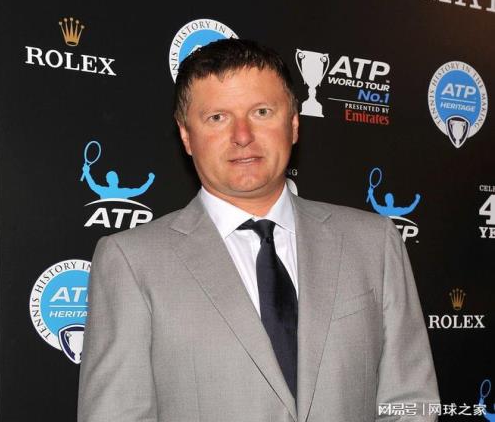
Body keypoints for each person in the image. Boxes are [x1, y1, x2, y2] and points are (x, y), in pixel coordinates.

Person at [78, 39, 440, 422]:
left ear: (294, 124)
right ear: (186, 136)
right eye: (217, 117)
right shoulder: (132, 262)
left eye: (262, 112)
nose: (242, 134)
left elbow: (411, 401)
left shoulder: (374, 243)